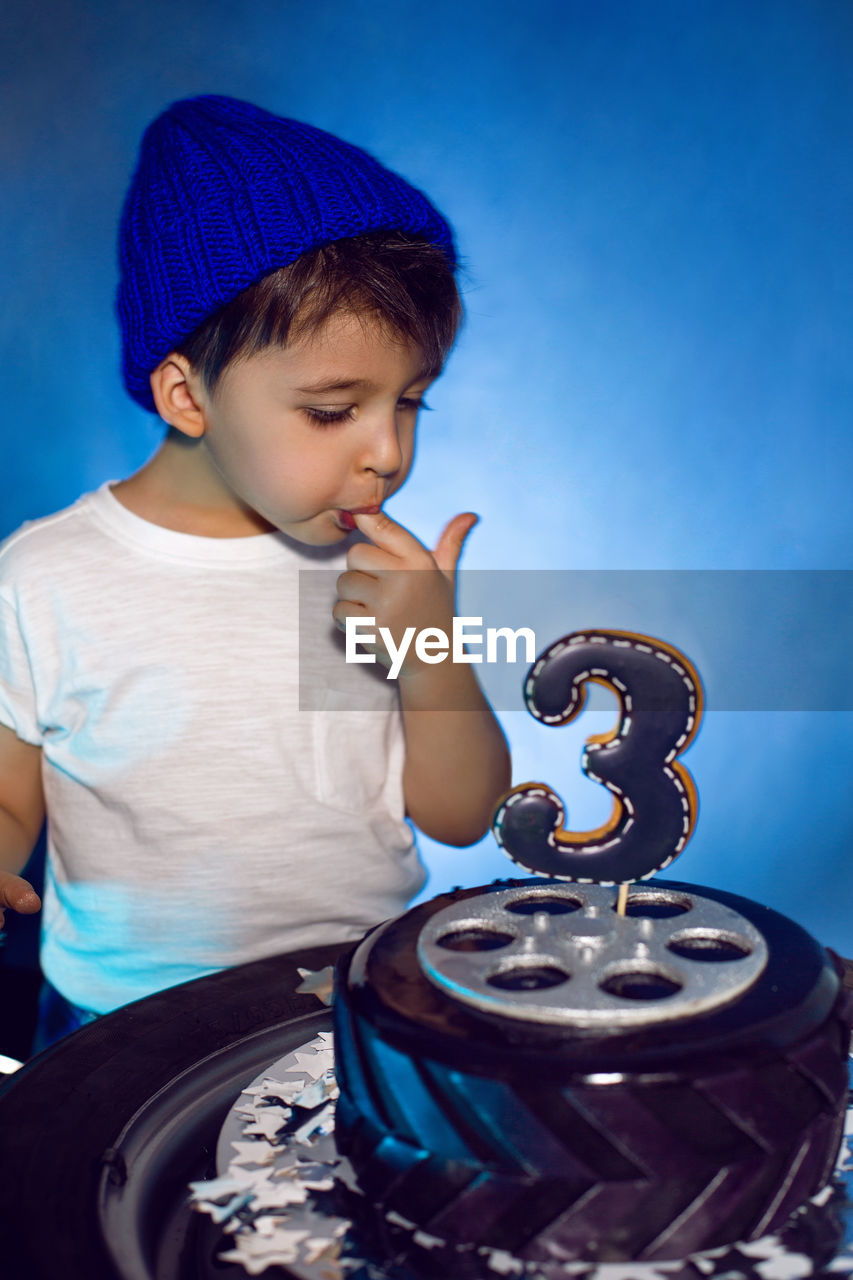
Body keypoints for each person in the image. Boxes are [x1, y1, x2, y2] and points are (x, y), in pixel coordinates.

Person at [0, 95, 511, 1051]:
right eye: (332, 411)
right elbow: (11, 794)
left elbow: (461, 812)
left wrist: (432, 651)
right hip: (118, 1023)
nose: (386, 454)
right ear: (187, 395)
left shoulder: (375, 574)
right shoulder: (45, 575)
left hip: (357, 1007)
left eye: (409, 404)